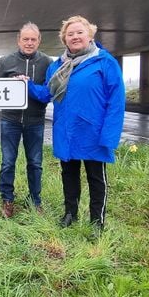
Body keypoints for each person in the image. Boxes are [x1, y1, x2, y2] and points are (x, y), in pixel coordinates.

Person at [26, 15, 125, 236]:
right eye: (70, 34)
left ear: (90, 35)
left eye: (79, 32)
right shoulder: (57, 66)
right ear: (64, 39)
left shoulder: (104, 62)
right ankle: (70, 213)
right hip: (66, 131)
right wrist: (26, 85)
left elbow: (116, 101)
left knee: (95, 178)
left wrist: (109, 137)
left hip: (93, 132)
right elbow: (46, 94)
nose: (75, 36)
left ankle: (96, 222)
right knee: (68, 174)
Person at [0, 22, 53, 218]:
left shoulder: (47, 62)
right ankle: (7, 199)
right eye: (25, 39)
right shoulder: (5, 61)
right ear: (18, 40)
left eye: (33, 39)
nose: (29, 43)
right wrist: (11, 84)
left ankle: (35, 201)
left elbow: (49, 90)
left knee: (35, 163)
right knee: (8, 162)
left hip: (35, 121)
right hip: (10, 120)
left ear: (39, 41)